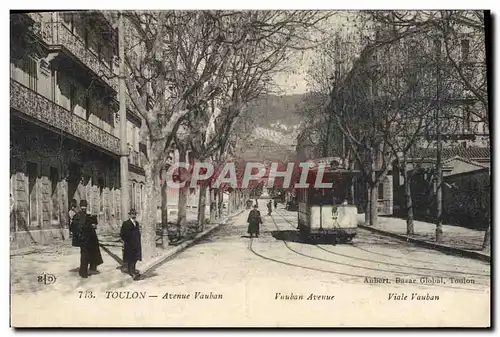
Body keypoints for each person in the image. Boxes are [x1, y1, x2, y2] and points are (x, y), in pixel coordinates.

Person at [72, 200, 103, 278]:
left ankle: (89, 268)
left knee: (90, 253)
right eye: (83, 206)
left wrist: (94, 225)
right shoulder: (78, 216)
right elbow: (73, 227)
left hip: (90, 239)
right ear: (80, 206)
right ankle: (83, 272)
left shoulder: (88, 215)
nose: (84, 207)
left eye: (85, 206)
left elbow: (94, 224)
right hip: (84, 239)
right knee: (84, 255)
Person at [120, 209, 142, 280]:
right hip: (129, 244)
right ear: (130, 215)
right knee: (130, 259)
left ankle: (133, 269)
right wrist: (126, 241)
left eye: (135, 214)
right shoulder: (126, 223)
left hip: (136, 244)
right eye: (132, 214)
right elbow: (122, 234)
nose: (134, 215)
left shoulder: (137, 223)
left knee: (135, 258)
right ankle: (131, 272)